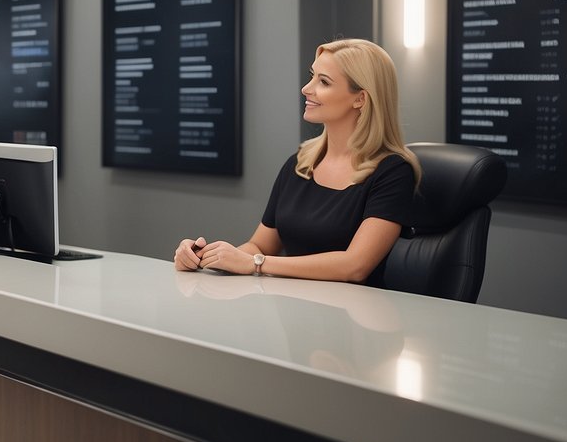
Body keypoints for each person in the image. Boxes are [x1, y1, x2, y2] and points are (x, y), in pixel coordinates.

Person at [174, 38, 420, 284]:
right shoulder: (300, 163)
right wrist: (205, 257)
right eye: (312, 76)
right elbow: (259, 245)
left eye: (323, 82)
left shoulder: (393, 172)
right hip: (294, 311)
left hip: (352, 317)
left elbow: (354, 266)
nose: (306, 88)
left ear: (360, 99)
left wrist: (255, 264)